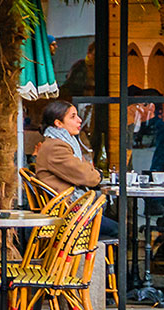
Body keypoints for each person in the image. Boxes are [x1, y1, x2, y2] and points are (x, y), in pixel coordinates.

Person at [34, 99, 118, 240]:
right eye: (73, 117)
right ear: (58, 123)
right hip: (68, 215)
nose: (79, 120)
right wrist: (97, 174)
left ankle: (90, 255)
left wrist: (89, 170)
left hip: (70, 210)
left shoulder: (63, 144)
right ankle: (87, 256)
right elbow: (88, 176)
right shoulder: (56, 147)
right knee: (119, 229)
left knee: (112, 225)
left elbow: (84, 168)